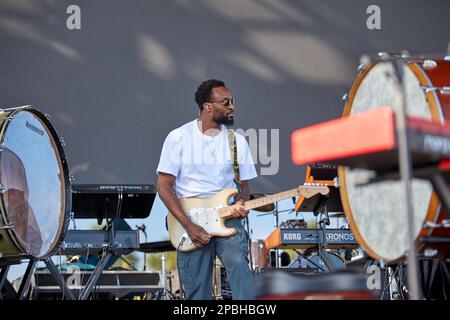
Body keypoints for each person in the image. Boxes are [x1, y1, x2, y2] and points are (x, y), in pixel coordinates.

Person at [156, 79, 257, 300]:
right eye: (226, 101)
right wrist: (188, 225)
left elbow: (245, 187)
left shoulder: (237, 141)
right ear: (207, 107)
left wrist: (242, 203)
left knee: (242, 278)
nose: (232, 106)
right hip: (189, 221)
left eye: (233, 101)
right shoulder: (178, 138)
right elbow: (163, 187)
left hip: (228, 218)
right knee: (197, 291)